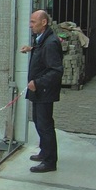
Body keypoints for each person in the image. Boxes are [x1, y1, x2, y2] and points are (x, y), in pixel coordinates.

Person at [20, 10, 63, 173]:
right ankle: (45, 151)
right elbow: (42, 52)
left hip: (44, 91)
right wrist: (31, 49)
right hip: (39, 91)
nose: (30, 25)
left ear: (43, 22)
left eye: (33, 22)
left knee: (45, 125)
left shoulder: (51, 42)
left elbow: (56, 70)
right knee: (39, 122)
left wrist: (37, 83)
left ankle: (50, 161)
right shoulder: (42, 40)